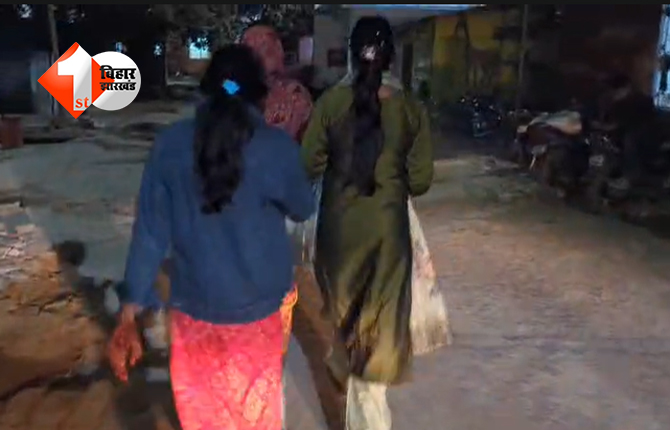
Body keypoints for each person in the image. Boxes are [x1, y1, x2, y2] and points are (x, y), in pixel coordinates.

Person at [107, 44, 314, 430]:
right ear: (259, 94)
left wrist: (129, 313)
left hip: (194, 317)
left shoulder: (170, 145)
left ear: (204, 90)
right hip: (257, 319)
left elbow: (150, 232)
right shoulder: (275, 148)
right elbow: (303, 207)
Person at [301, 16, 434, 430]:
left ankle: (345, 365)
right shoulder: (409, 108)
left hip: (337, 234)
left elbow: (309, 164)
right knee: (377, 333)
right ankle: (365, 407)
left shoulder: (330, 104)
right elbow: (421, 181)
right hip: (387, 236)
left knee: (347, 318)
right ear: (391, 56)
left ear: (351, 55)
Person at [242, 24, 313, 142]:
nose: (257, 54)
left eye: (264, 48)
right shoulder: (239, 89)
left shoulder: (294, 95)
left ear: (278, 50)